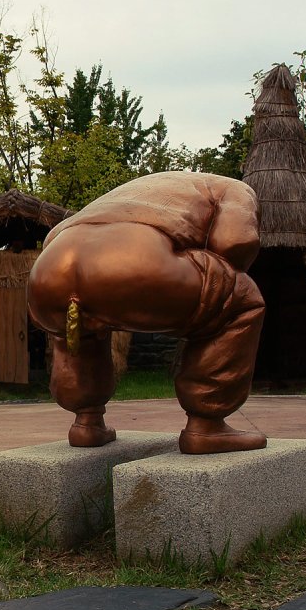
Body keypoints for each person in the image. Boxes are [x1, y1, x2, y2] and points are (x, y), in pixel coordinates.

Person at [27, 171, 267, 455]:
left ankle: (87, 421)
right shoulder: (231, 187)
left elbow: (54, 235)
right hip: (133, 265)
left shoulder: (121, 194)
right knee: (241, 297)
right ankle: (207, 425)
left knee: (73, 324)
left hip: (47, 275)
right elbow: (236, 243)